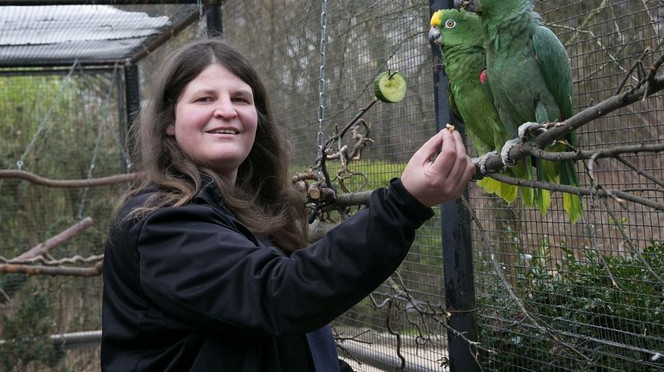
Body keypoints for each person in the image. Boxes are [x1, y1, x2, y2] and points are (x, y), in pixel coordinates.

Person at [101, 38, 474, 371]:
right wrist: (403, 204)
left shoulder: (245, 215)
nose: (227, 110)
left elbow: (277, 344)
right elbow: (281, 295)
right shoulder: (160, 220)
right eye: (205, 99)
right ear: (169, 121)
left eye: (241, 99)